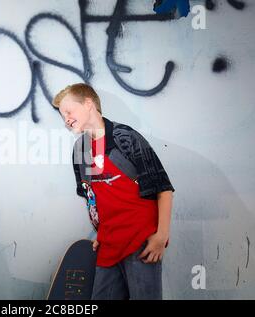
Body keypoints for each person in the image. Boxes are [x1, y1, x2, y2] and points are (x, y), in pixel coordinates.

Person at [52, 83, 175, 300]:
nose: (66, 120)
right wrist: (101, 232)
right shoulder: (80, 149)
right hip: (108, 245)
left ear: (88, 104)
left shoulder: (124, 137)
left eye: (69, 112)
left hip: (141, 243)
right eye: (63, 116)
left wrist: (161, 235)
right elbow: (91, 197)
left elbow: (163, 188)